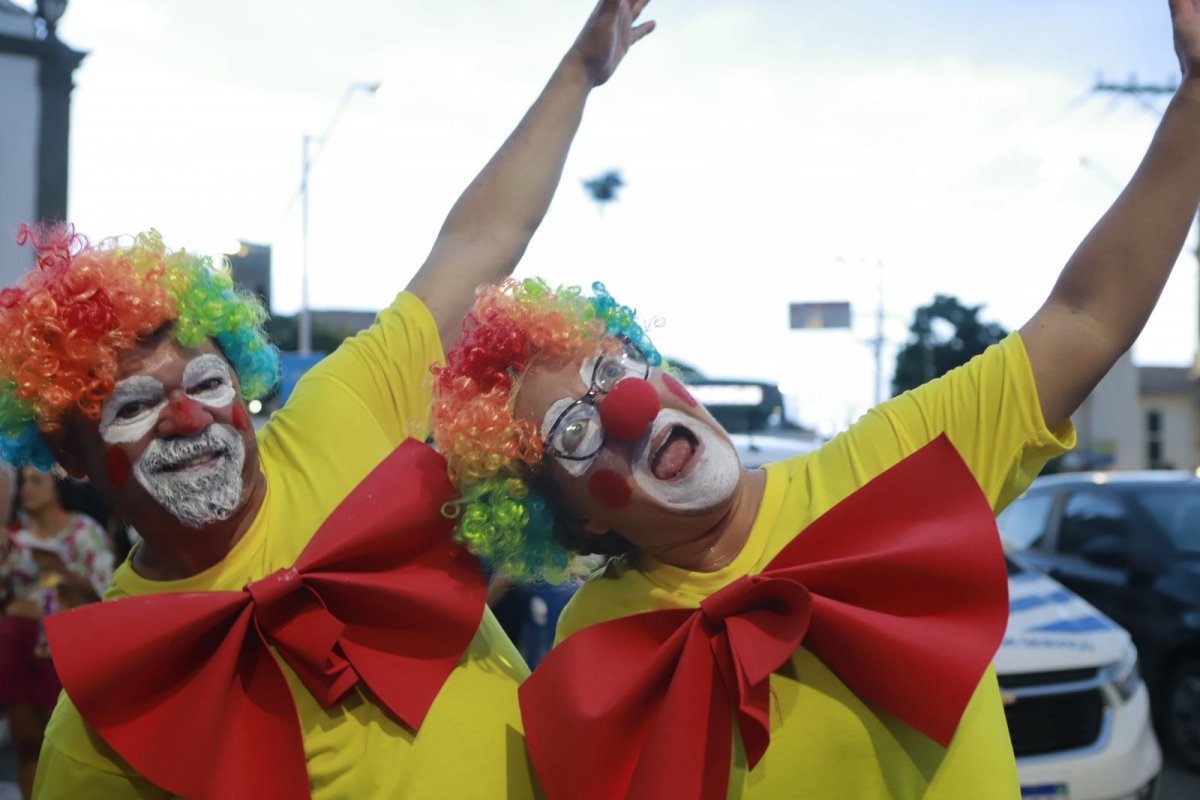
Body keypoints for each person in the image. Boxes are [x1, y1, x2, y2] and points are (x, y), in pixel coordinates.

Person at [430, 2, 1200, 797]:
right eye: (575, 433)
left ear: (663, 374)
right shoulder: (597, 636)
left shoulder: (894, 467)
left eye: (613, 371)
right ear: (581, 517)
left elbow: (1086, 316)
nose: (623, 413)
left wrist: (1195, 98)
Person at [0, 2, 655, 797]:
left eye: (209, 385)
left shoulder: (339, 414)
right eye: (133, 407)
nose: (188, 419)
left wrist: (576, 76)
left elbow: (477, 245)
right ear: (66, 451)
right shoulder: (110, 711)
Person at [0, 468, 113, 800]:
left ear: (57, 488)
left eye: (36, 481)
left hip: (66, 648)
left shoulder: (83, 533)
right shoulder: (15, 539)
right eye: (23, 484)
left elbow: (107, 592)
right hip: (18, 647)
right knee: (26, 743)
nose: (26, 490)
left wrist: (62, 572)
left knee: (66, 745)